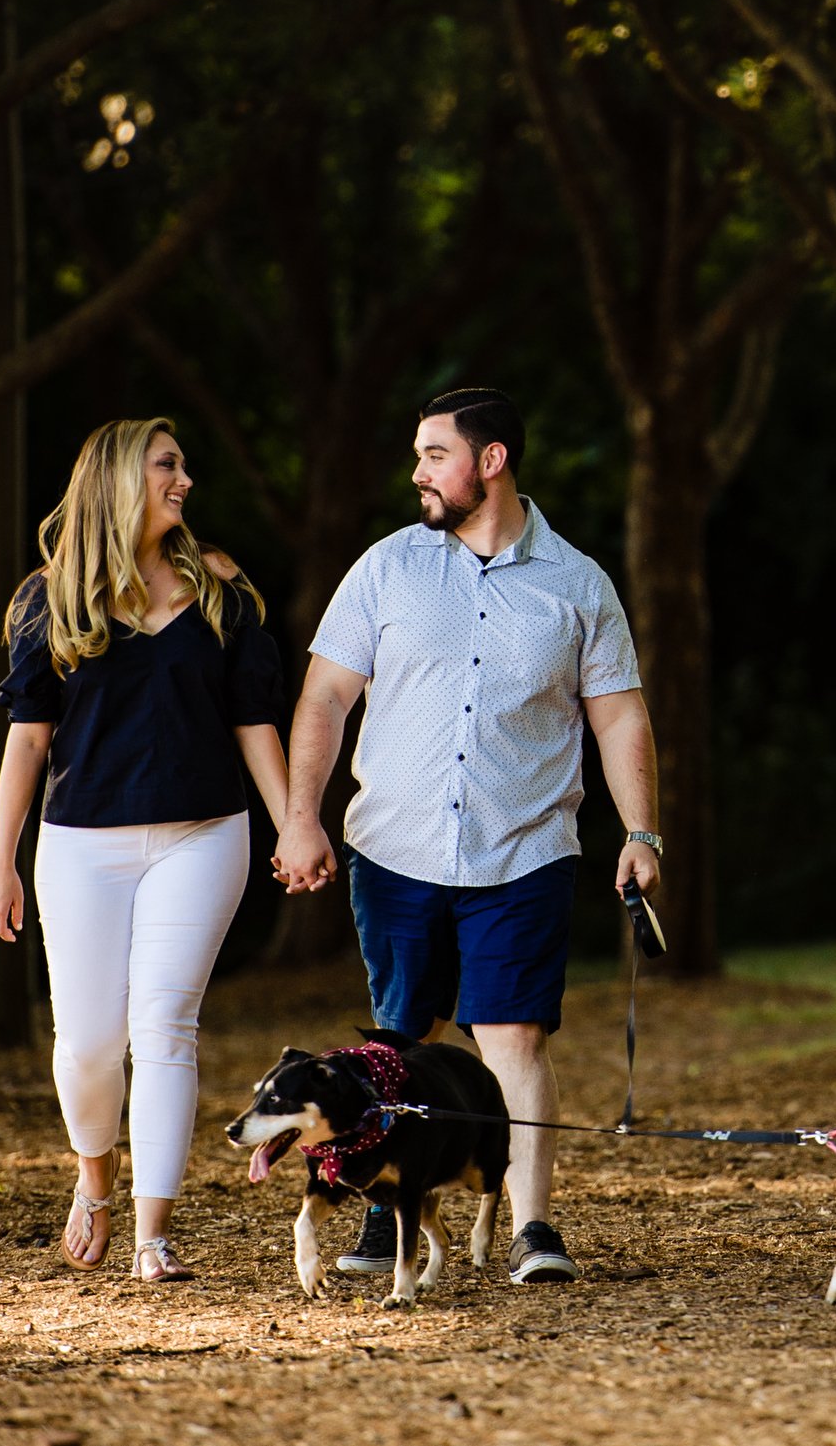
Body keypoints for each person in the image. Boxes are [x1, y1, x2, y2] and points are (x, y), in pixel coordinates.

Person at [273, 386, 662, 1285]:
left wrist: (641, 830)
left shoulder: (579, 584)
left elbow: (618, 719)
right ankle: (386, 1218)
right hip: (395, 849)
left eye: (434, 454)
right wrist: (301, 817)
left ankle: (531, 1227)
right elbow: (325, 697)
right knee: (401, 1037)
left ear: (490, 461)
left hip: (523, 850)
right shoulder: (385, 569)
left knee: (513, 1039)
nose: (417, 472)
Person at [0, 417, 288, 1283]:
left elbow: (253, 718)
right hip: (80, 845)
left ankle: (153, 1232)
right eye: (167, 464)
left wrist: (294, 819)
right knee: (85, 1040)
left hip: (202, 835)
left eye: (184, 463)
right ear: (119, 476)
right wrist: (0, 858)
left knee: (164, 1028)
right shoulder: (49, 597)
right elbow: (28, 740)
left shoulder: (219, 585)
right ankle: (95, 1180)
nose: (185, 478)